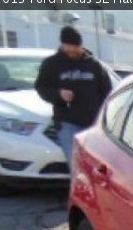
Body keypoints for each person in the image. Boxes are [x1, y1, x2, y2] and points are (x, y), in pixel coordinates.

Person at [34, 26, 112, 164]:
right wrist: (58, 94)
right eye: (67, 46)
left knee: (94, 163)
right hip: (68, 121)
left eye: (75, 46)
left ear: (80, 46)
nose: (71, 50)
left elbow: (107, 91)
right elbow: (41, 87)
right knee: (76, 162)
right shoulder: (52, 64)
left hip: (94, 122)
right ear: (62, 44)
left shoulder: (94, 65)